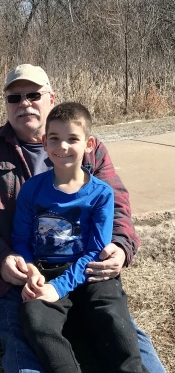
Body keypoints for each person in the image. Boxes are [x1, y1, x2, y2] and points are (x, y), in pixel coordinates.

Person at [0, 64, 164, 372]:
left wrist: (119, 246)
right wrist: (2, 258)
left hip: (87, 269)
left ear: (51, 99)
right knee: (28, 349)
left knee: (124, 339)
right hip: (25, 276)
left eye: (34, 94)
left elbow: (116, 202)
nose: (24, 103)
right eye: (15, 98)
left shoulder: (89, 147)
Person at [11, 102, 147, 372]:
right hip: (46, 271)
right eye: (55, 139)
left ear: (89, 143)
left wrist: (59, 288)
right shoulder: (31, 190)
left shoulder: (101, 194)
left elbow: (97, 250)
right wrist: (30, 271)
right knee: (35, 320)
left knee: (113, 319)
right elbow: (21, 240)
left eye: (73, 139)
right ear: (44, 143)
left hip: (92, 272)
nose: (62, 147)